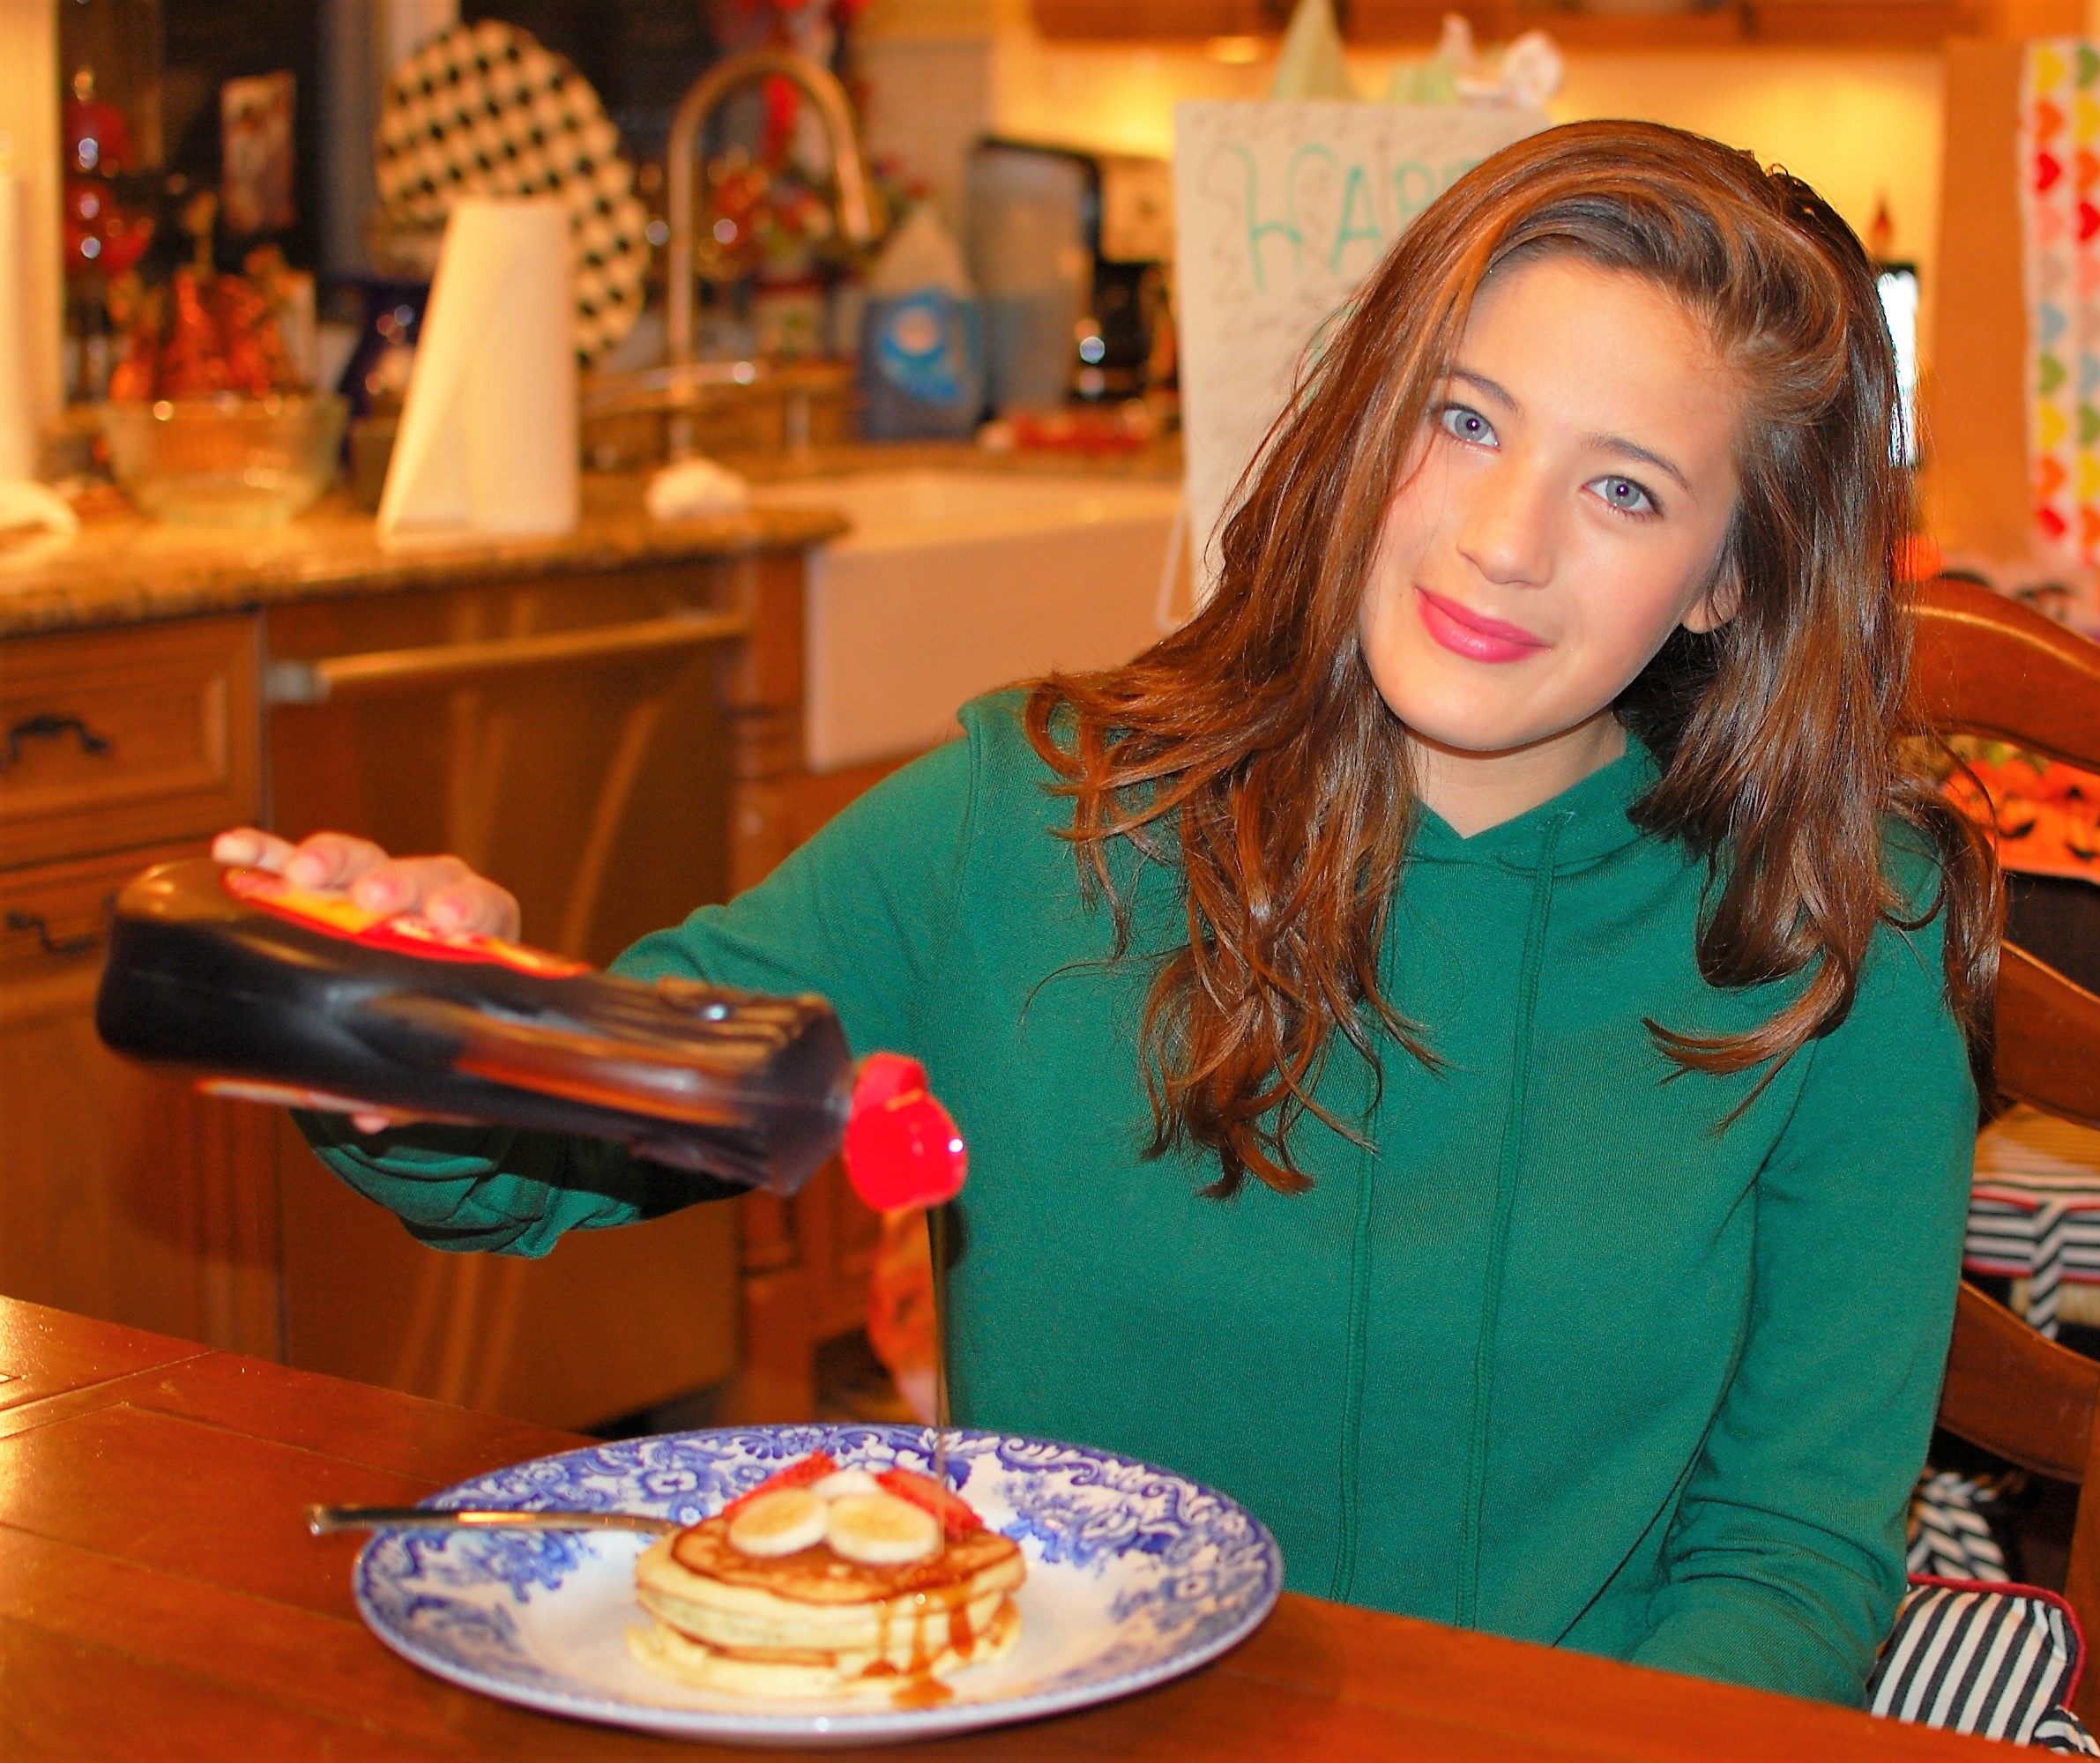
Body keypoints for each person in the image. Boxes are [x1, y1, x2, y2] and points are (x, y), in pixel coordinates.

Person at [215, 120, 1997, 1707]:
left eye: (1624, 488)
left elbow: (1787, 1564)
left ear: (1727, 576)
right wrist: (415, 1014)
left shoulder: (1844, 946)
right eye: (1463, 420)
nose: (1504, 538)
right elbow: (543, 1148)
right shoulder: (1029, 821)